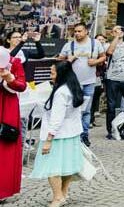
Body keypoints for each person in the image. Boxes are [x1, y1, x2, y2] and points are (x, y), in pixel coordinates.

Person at [30, 61, 86, 207]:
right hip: (71, 132)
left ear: (61, 74)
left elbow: (57, 118)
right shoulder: (74, 87)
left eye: (52, 73)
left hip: (58, 135)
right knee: (67, 165)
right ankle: (63, 193)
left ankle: (57, 197)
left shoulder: (61, 92)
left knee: (51, 167)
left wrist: (49, 139)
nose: (50, 76)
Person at [57, 23, 106, 147]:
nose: (77, 34)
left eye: (80, 31)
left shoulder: (95, 44)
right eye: (76, 31)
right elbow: (59, 60)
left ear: (86, 32)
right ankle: (72, 135)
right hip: (72, 83)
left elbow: (103, 57)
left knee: (86, 111)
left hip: (89, 82)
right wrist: (69, 60)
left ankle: (84, 135)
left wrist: (95, 61)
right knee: (72, 109)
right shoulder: (69, 45)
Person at [0, 52, 27, 201]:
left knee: (4, 148)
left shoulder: (14, 62)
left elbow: (22, 85)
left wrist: (10, 79)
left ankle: (2, 190)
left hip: (6, 109)